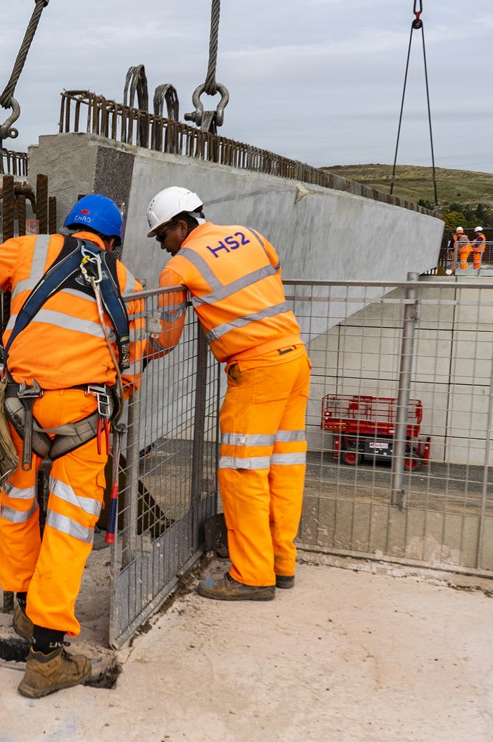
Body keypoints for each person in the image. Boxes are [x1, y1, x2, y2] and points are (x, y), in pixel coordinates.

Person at [0, 194, 142, 697]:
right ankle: (46, 655)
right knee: (69, 526)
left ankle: (24, 609)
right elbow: (132, 362)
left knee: (14, 505)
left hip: (19, 408)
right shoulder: (128, 283)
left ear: (68, 226)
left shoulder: (28, 250)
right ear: (113, 240)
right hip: (85, 417)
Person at [143, 186, 310, 602]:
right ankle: (280, 562)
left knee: (242, 474)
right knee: (284, 468)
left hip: (255, 372)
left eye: (162, 236)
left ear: (182, 226)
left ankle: (253, 576)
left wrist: (137, 354)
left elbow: (166, 338)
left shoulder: (179, 269)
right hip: (294, 359)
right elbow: (271, 270)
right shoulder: (249, 235)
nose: (163, 247)